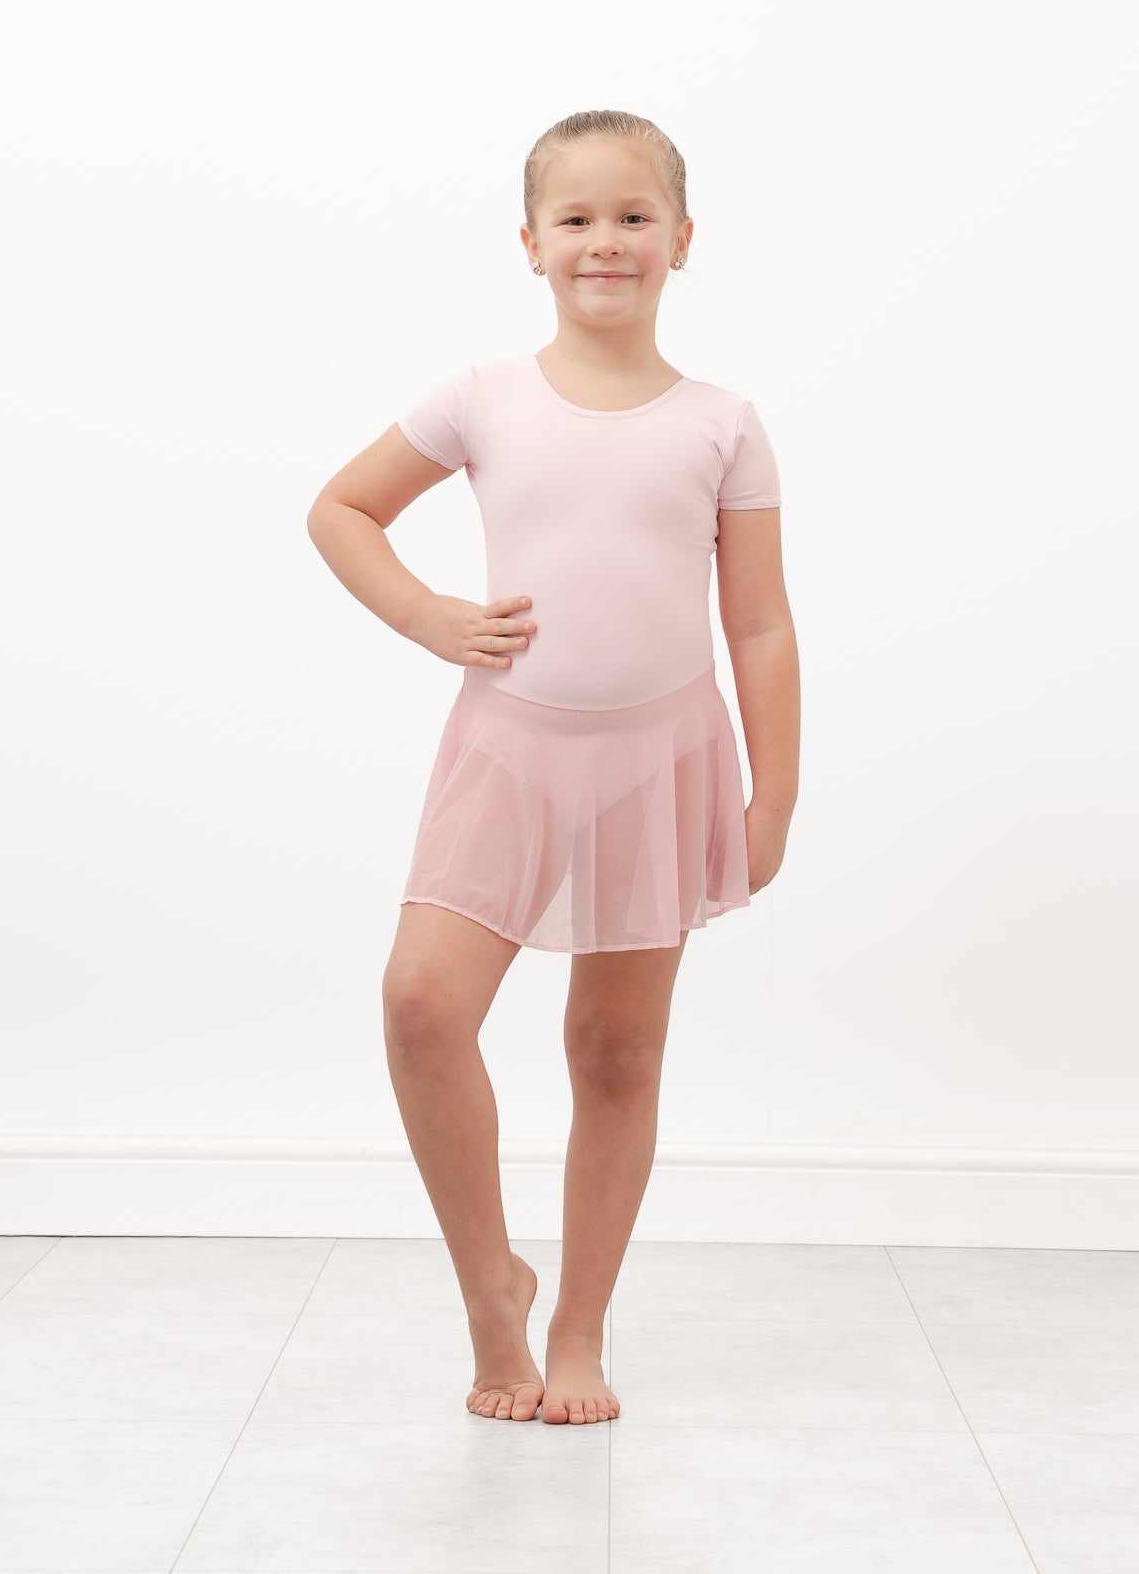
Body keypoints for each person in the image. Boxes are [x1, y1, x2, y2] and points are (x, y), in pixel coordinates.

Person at [306, 108, 800, 1427]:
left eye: (634, 216)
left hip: (662, 762)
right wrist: (430, 617)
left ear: (682, 239)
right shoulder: (482, 397)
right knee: (423, 1004)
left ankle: (579, 1330)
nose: (605, 242)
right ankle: (495, 1294)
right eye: (575, 219)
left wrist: (775, 797)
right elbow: (341, 509)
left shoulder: (723, 424)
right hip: (510, 751)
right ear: (530, 244)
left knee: (616, 1050)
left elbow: (759, 624)